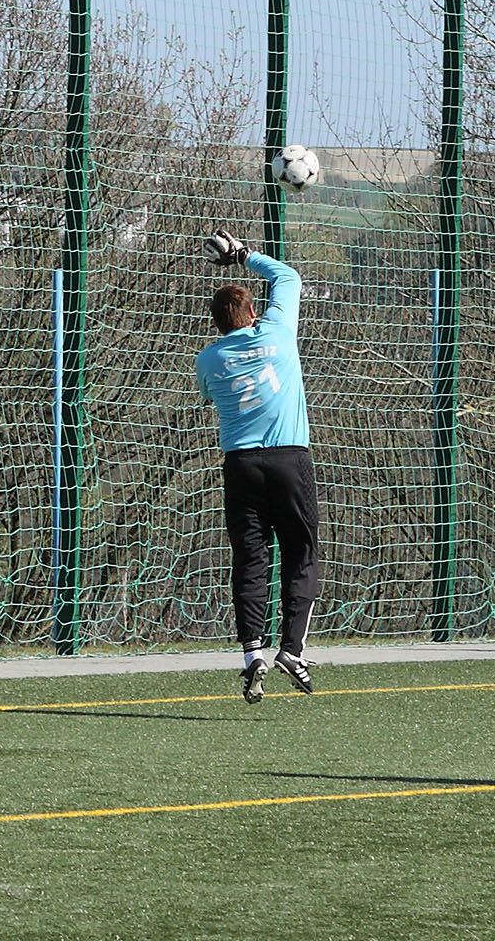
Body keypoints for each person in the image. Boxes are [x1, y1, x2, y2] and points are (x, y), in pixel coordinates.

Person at [196, 230, 321, 704]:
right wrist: (243, 255)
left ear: (217, 323)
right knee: (300, 552)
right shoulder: (276, 331)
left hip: (241, 465)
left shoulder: (209, 358)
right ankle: (293, 649)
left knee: (250, 559)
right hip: (289, 458)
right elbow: (287, 277)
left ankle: (253, 653)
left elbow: (210, 396)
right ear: (253, 313)